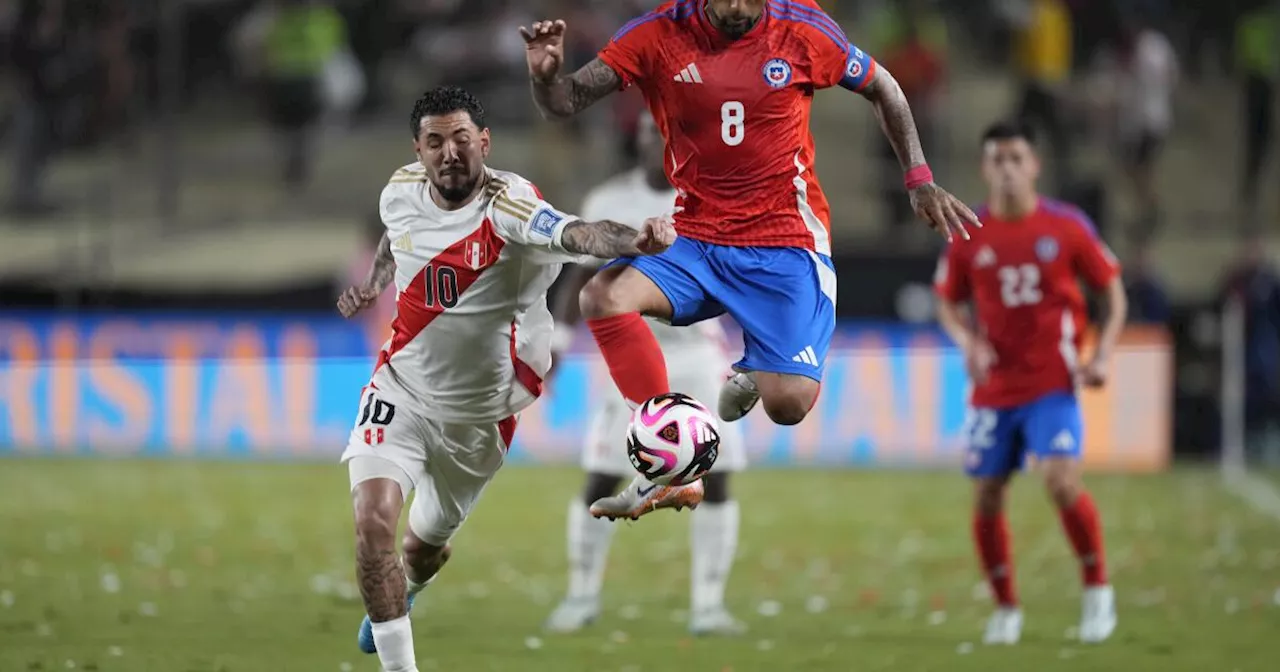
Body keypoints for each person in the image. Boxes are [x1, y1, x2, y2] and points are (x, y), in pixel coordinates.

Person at [520, 0, 979, 518]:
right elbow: (563, 102)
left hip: (784, 242)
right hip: (697, 235)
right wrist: (545, 77)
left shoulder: (801, 27)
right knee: (601, 296)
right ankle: (673, 463)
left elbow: (884, 86)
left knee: (789, 406)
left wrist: (918, 180)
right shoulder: (657, 34)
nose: (738, 6)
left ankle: (757, 365)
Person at [335, 86, 683, 672]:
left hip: (481, 418)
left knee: (420, 551)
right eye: (435, 142)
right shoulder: (399, 189)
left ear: (484, 143)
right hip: (399, 391)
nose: (449, 153)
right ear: (418, 150)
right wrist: (376, 282)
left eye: (461, 139)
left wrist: (635, 239)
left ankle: (409, 589)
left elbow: (580, 233)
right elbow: (395, 238)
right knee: (373, 528)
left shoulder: (512, 206)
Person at [543, 111, 748, 637]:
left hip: (698, 356)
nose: (654, 141)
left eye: (665, 133)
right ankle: (582, 596)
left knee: (716, 478)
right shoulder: (609, 202)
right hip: (630, 358)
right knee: (602, 474)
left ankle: (709, 605)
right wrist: (559, 345)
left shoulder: (707, 197)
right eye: (647, 133)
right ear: (636, 139)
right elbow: (577, 283)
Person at [934, 120, 1127, 646]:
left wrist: (1103, 353)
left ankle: (1096, 592)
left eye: (1017, 158)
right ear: (984, 168)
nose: (1008, 169)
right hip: (995, 388)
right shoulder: (970, 231)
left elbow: (1113, 293)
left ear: (1035, 166)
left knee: (1062, 482)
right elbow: (947, 300)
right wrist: (968, 342)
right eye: (997, 159)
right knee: (988, 497)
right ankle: (1006, 608)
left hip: (1052, 382)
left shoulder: (1066, 227)